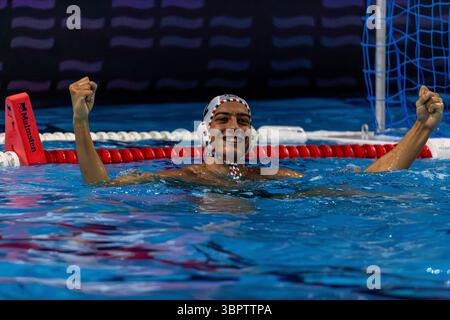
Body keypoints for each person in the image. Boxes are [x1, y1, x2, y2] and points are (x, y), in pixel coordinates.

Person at [70, 77, 444, 186]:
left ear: (252, 136)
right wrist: (81, 123)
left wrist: (420, 128)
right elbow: (100, 188)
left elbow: (369, 184)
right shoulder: (182, 177)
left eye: (243, 121)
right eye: (223, 119)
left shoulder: (273, 178)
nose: (234, 126)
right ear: (205, 133)